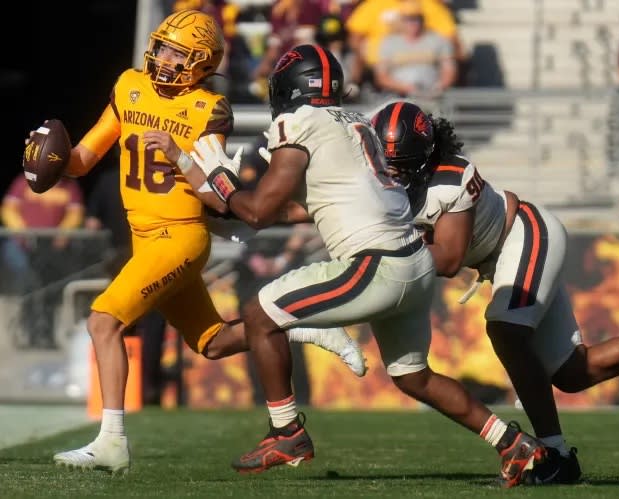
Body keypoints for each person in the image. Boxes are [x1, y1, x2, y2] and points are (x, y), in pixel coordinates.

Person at [187, 43, 547, 487]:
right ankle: (514, 444)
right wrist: (225, 208)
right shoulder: (356, 122)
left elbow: (261, 210)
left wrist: (220, 181)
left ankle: (287, 432)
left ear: (286, 88)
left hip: (377, 264)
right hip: (413, 262)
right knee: (414, 377)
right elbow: (313, 201)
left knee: (261, 314)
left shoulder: (298, 122)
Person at [37, 9, 363, 474]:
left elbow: (218, 189)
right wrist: (49, 159)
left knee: (102, 321)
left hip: (181, 236)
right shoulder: (129, 85)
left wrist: (178, 155)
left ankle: (111, 441)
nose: (165, 57)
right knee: (211, 343)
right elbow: (83, 160)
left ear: (202, 63)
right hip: (145, 238)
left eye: (177, 52)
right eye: (164, 46)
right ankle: (303, 327)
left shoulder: (206, 109)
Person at [371, 100, 619, 484]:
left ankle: (553, 454)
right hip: (500, 259)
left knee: (505, 329)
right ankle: (560, 459)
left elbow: (449, 260)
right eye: (384, 160)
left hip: (523, 235)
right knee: (574, 372)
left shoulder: (451, 177)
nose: (391, 172)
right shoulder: (370, 174)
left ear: (424, 158)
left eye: (401, 163)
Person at [1, 173, 84, 347]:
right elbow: (8, 209)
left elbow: (75, 213)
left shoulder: (69, 186)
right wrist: (24, 232)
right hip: (24, 248)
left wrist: (63, 233)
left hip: (53, 249)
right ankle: (27, 334)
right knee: (28, 289)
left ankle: (47, 334)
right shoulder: (23, 182)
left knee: (51, 291)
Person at [373, 0, 456, 102]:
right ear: (401, 21)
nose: (413, 23)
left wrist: (439, 87)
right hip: (398, 96)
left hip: (431, 94)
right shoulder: (389, 42)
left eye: (416, 19)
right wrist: (404, 87)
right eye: (408, 19)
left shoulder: (438, 40)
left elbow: (449, 70)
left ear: (422, 19)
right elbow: (381, 76)